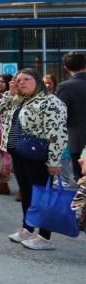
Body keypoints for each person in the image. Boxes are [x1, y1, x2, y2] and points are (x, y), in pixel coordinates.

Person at [0, 68, 68, 250]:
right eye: (18, 80)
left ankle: (45, 236)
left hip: (38, 155)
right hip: (19, 153)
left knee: (42, 195)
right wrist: (9, 94)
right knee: (27, 192)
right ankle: (28, 228)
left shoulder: (50, 102)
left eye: (26, 79)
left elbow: (57, 134)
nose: (21, 83)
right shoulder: (20, 99)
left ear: (37, 80)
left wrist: (53, 161)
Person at [56, 51, 86, 185]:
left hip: (78, 140)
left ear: (66, 68)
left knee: (83, 183)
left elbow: (60, 116)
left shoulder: (65, 87)